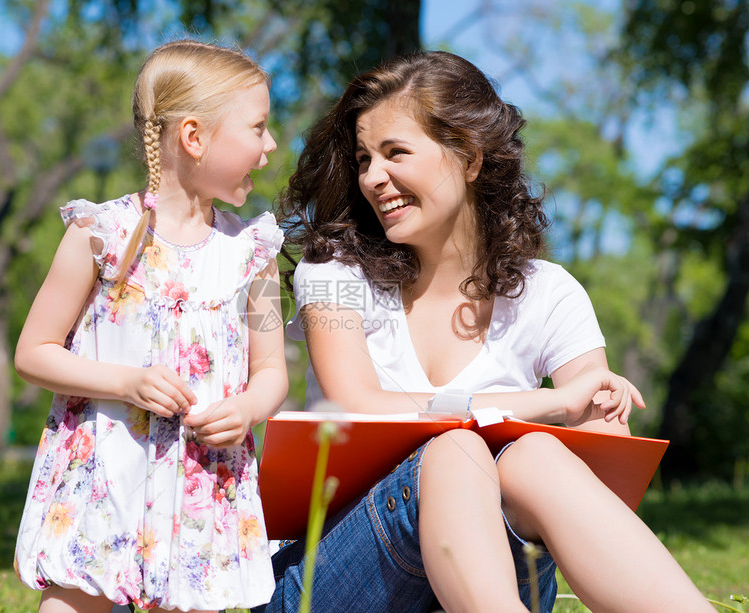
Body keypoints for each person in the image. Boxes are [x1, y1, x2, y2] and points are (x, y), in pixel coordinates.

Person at [255, 51, 714, 613]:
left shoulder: (550, 291)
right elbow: (359, 402)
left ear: (469, 158)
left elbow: (597, 464)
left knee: (536, 457)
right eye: (363, 159)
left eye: (396, 152)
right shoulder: (332, 275)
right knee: (455, 451)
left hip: (496, 574)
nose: (373, 177)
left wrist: (595, 414)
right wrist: (546, 403)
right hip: (330, 583)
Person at [13, 40, 288, 613]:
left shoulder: (254, 252)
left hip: (201, 479)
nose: (270, 147)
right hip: (105, 474)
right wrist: (126, 382)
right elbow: (33, 352)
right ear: (194, 137)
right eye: (258, 128)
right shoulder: (100, 235)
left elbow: (271, 372)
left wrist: (248, 409)